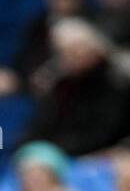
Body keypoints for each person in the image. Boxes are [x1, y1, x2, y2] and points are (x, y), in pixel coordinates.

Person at [18, 18, 130, 157]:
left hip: (100, 156)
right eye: (62, 52)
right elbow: (44, 124)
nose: (67, 58)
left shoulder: (115, 83)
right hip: (61, 152)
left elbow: (102, 133)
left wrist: (56, 149)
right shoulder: (62, 84)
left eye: (72, 50)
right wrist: (28, 147)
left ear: (92, 49)